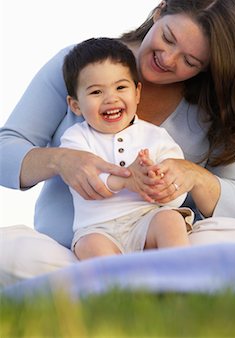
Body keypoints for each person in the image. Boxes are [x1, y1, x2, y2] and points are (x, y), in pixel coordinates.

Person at [0, 0, 235, 286]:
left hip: (163, 244)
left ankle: (138, 284)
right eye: (169, 38)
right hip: (73, 252)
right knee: (7, 252)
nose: (168, 59)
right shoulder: (81, 65)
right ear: (159, 11)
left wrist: (194, 176)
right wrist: (61, 161)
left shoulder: (212, 105)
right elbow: (5, 149)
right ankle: (151, 286)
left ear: (208, 67)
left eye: (190, 60)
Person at [61, 37, 193, 259]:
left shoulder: (156, 137)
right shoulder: (76, 138)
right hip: (98, 228)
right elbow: (86, 181)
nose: (111, 98)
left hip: (146, 218)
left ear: (137, 93)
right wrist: (127, 179)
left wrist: (156, 182)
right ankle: (125, 289)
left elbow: (176, 193)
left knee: (170, 220)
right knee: (88, 246)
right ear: (75, 105)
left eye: (121, 87)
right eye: (96, 92)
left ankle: (181, 281)